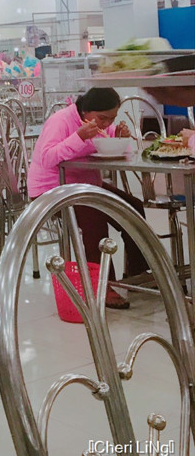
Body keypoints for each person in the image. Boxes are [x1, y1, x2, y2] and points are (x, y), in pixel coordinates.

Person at [27, 87, 150, 308]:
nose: (107, 123)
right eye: (103, 118)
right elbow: (47, 158)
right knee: (95, 217)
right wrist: (78, 137)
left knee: (133, 207)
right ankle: (102, 285)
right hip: (52, 189)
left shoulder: (99, 125)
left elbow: (112, 148)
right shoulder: (61, 121)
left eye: (112, 118)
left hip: (86, 185)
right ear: (85, 111)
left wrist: (119, 138)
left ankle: (138, 273)